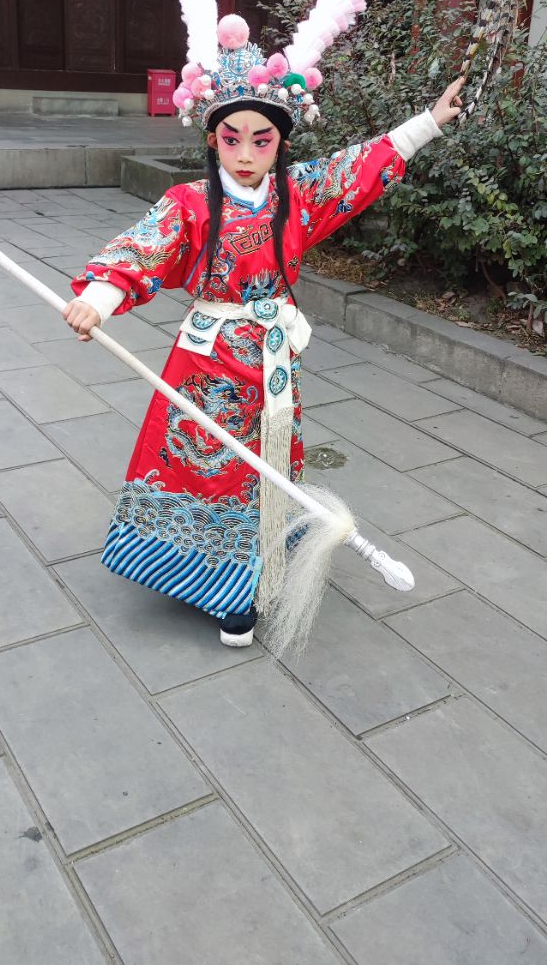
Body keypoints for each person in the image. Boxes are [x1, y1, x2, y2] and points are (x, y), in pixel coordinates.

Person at [64, 33, 464, 647]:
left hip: (274, 359)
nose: (246, 154)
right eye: (232, 139)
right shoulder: (187, 203)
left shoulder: (296, 195)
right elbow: (140, 251)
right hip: (206, 364)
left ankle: (260, 562)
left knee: (271, 464)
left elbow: (357, 169)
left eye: (262, 140)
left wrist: (428, 123)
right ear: (211, 139)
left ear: (281, 142)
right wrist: (98, 299)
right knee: (205, 464)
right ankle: (214, 582)